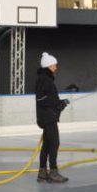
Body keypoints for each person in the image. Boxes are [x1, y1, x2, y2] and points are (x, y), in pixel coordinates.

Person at [35, 52, 69, 184]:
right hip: (48, 117)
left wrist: (60, 104)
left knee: (47, 144)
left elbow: (48, 98)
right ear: (49, 65)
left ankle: (42, 173)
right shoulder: (44, 79)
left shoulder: (45, 78)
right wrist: (58, 104)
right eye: (54, 65)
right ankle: (53, 172)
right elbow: (41, 99)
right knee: (54, 143)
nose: (56, 67)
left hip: (48, 116)